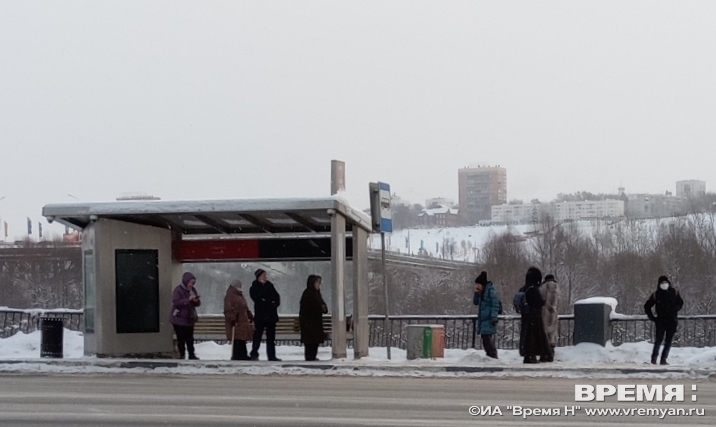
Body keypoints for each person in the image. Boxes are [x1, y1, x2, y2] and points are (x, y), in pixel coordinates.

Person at [644, 275, 684, 365]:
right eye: (662, 283)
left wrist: (675, 309)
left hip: (671, 321)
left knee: (668, 341)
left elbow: (680, 303)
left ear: (668, 282)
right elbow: (647, 306)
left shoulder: (674, 292)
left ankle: (663, 359)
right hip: (661, 321)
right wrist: (652, 317)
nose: (664, 284)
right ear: (659, 284)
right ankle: (654, 359)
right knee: (659, 340)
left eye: (665, 282)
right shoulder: (656, 294)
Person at [518, 267, 550, 364]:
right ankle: (533, 356)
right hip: (534, 318)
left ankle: (527, 356)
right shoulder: (533, 290)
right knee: (534, 338)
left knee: (526, 337)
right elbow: (539, 302)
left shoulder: (523, 289)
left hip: (525, 317)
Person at [249, 269, 282, 361]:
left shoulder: (269, 285)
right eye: (263, 275)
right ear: (258, 276)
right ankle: (254, 353)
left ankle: (271, 355)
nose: (266, 276)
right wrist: (269, 302)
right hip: (261, 316)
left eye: (266, 275)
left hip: (271, 316)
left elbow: (276, 297)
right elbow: (258, 300)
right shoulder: (254, 287)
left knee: (271, 337)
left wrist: (273, 304)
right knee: (258, 336)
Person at [170, 272, 201, 360]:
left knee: (190, 338)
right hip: (179, 318)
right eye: (190, 282)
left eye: (193, 283)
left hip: (189, 318)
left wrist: (196, 301)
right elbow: (176, 302)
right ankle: (182, 354)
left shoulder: (193, 290)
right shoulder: (178, 290)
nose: (191, 284)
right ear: (185, 281)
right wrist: (188, 299)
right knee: (181, 338)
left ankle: (191, 354)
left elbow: (197, 304)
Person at [299, 274, 329, 361]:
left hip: (315, 322)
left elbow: (323, 306)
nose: (319, 285)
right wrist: (320, 308)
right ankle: (309, 357)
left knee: (314, 341)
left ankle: (312, 356)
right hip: (309, 322)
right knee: (310, 342)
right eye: (317, 283)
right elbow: (311, 307)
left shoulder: (317, 294)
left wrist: (322, 308)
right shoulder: (308, 293)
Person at [223, 279, 254, 361]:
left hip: (242, 321)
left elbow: (245, 308)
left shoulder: (240, 295)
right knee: (237, 338)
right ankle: (237, 355)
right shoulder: (230, 296)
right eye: (238, 286)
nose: (240, 287)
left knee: (241, 339)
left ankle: (243, 354)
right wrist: (232, 318)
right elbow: (228, 309)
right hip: (236, 321)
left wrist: (249, 315)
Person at [472, 271, 500, 359]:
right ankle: (491, 356)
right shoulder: (482, 293)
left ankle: (493, 356)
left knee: (487, 339)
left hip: (488, 318)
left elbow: (495, 304)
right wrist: (476, 293)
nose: (477, 286)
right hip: (483, 319)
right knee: (485, 339)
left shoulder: (490, 291)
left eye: (478, 284)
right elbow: (475, 302)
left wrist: (493, 316)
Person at [539, 274, 559, 362]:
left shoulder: (543, 287)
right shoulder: (557, 288)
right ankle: (551, 353)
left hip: (544, 313)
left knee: (544, 333)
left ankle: (544, 354)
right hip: (553, 313)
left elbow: (541, 299)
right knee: (552, 334)